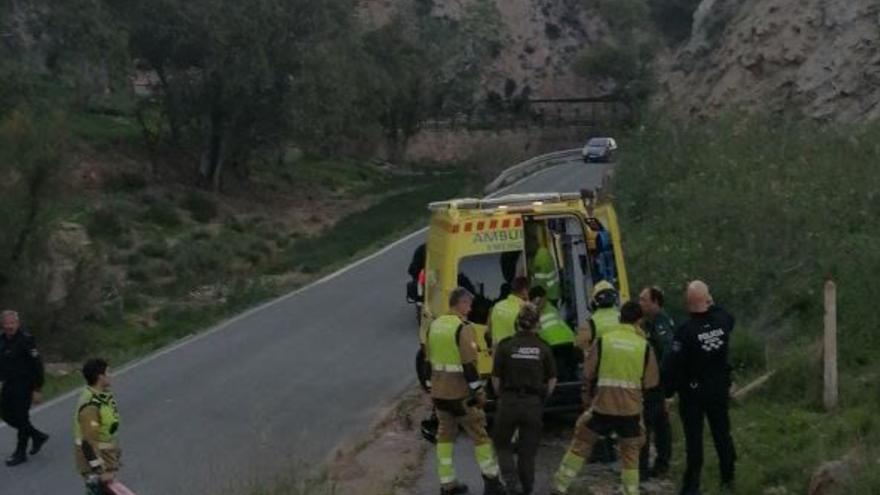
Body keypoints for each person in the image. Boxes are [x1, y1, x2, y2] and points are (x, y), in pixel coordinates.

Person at [551, 301, 659, 495]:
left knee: (581, 443)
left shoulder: (604, 341)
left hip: (602, 408)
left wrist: (588, 393)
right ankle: (630, 491)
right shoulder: (644, 347)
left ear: (620, 318)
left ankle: (560, 485)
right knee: (630, 455)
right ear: (639, 321)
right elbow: (651, 382)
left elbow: (588, 372)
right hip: (630, 411)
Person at [426, 287, 505, 495]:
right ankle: (492, 483)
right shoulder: (463, 328)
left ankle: (447, 484)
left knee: (444, 435)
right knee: (480, 435)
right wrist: (478, 392)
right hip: (460, 395)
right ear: (460, 304)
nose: (469, 310)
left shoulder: (434, 325)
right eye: (468, 305)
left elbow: (428, 361)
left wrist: (430, 389)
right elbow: (469, 366)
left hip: (439, 394)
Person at [665, 281, 736, 495]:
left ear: (687, 304)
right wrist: (710, 302)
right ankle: (728, 478)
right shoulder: (722, 321)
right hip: (718, 390)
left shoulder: (684, 331)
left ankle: (691, 487)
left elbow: (674, 365)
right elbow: (726, 314)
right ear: (708, 299)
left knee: (694, 440)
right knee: (722, 434)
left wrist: (667, 391)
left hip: (693, 393)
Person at [492, 304, 557, 495]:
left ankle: (511, 483)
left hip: (509, 401)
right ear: (537, 324)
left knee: (502, 445)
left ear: (516, 323)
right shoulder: (543, 347)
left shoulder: (505, 345)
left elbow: (495, 379)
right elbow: (552, 379)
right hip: (533, 404)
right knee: (527, 452)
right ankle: (527, 488)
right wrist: (543, 397)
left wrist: (501, 395)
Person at [0, 310, 48, 466]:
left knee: (21, 417)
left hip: (24, 385)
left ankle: (20, 453)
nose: (9, 326)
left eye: (12, 323)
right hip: (8, 385)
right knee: (6, 415)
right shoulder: (1, 340)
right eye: (6, 323)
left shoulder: (26, 339)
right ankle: (37, 435)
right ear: (2, 324)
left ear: (17, 324)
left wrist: (37, 389)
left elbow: (37, 365)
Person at [638, 287, 675, 479]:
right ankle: (661, 464)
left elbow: (668, 351)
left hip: (656, 384)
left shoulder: (661, 323)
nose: (640, 303)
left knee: (647, 423)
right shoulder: (650, 322)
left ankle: (644, 469)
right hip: (657, 384)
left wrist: (657, 377)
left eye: (643, 300)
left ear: (655, 302)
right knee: (660, 424)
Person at [75, 358, 121, 495]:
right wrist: (101, 471)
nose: (112, 375)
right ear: (100, 377)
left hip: (106, 458)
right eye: (108, 372)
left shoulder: (102, 395)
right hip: (97, 465)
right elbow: (88, 442)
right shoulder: (91, 406)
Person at [529, 286, 577, 381]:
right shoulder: (550, 307)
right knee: (568, 374)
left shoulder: (539, 310)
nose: (538, 303)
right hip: (567, 342)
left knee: (560, 374)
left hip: (555, 344)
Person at [488, 277, 529, 349]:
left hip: (498, 354)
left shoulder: (496, 307)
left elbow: (489, 333)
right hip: (515, 354)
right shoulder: (525, 309)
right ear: (524, 291)